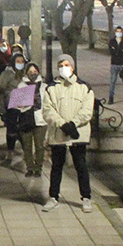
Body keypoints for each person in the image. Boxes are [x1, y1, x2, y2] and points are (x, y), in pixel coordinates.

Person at [41, 53, 94, 213]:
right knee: (56, 166)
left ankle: (86, 198)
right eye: (61, 65)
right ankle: (53, 197)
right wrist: (63, 124)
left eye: (67, 65)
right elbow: (48, 110)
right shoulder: (52, 88)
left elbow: (87, 110)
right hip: (59, 133)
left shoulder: (84, 87)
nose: (64, 68)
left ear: (73, 66)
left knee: (81, 166)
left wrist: (74, 124)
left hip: (78, 133)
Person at [0, 54, 42, 167]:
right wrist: (1, 109)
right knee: (11, 130)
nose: (20, 63)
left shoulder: (26, 74)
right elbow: (1, 91)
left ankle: (28, 154)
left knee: (23, 131)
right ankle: (10, 151)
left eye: (22, 61)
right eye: (18, 61)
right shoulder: (7, 74)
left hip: (25, 107)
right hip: (11, 107)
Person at [108, 26, 123, 104]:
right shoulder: (112, 41)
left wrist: (118, 51)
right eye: (117, 31)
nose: (118, 33)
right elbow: (112, 51)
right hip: (114, 64)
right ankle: (111, 98)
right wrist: (120, 51)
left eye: (120, 32)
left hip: (122, 64)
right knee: (112, 81)